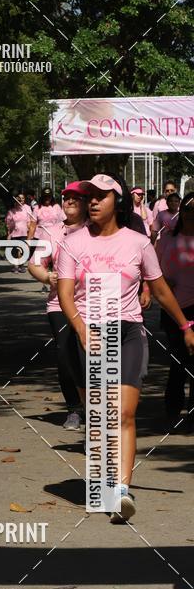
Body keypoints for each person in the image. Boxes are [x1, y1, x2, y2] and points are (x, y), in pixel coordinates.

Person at [57, 174, 194, 524]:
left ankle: (120, 491)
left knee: (124, 413)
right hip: (85, 330)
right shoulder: (72, 242)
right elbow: (65, 292)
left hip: (128, 330)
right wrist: (82, 330)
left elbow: (160, 288)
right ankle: (102, 483)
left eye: (101, 196)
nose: (93, 202)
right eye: (90, 196)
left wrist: (184, 324)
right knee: (99, 416)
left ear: (117, 201)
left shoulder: (138, 242)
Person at [28, 182, 88, 430]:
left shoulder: (95, 231)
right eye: (66, 198)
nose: (69, 201)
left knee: (91, 357)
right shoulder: (50, 232)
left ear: (86, 203)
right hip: (58, 305)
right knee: (65, 357)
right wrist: (46, 276)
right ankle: (74, 409)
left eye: (76, 198)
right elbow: (34, 264)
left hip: (92, 304)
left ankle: (96, 408)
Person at [155, 192, 194, 429]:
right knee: (178, 358)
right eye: (189, 208)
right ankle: (172, 407)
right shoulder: (168, 238)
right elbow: (154, 272)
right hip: (173, 308)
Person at [5, 193, 32, 273]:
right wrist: (8, 233)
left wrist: (30, 231)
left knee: (21, 249)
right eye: (19, 198)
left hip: (24, 232)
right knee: (15, 250)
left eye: (23, 198)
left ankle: (20, 265)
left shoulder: (27, 208)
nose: (21, 200)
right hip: (14, 233)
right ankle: (16, 266)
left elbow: (30, 220)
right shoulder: (12, 211)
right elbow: (8, 223)